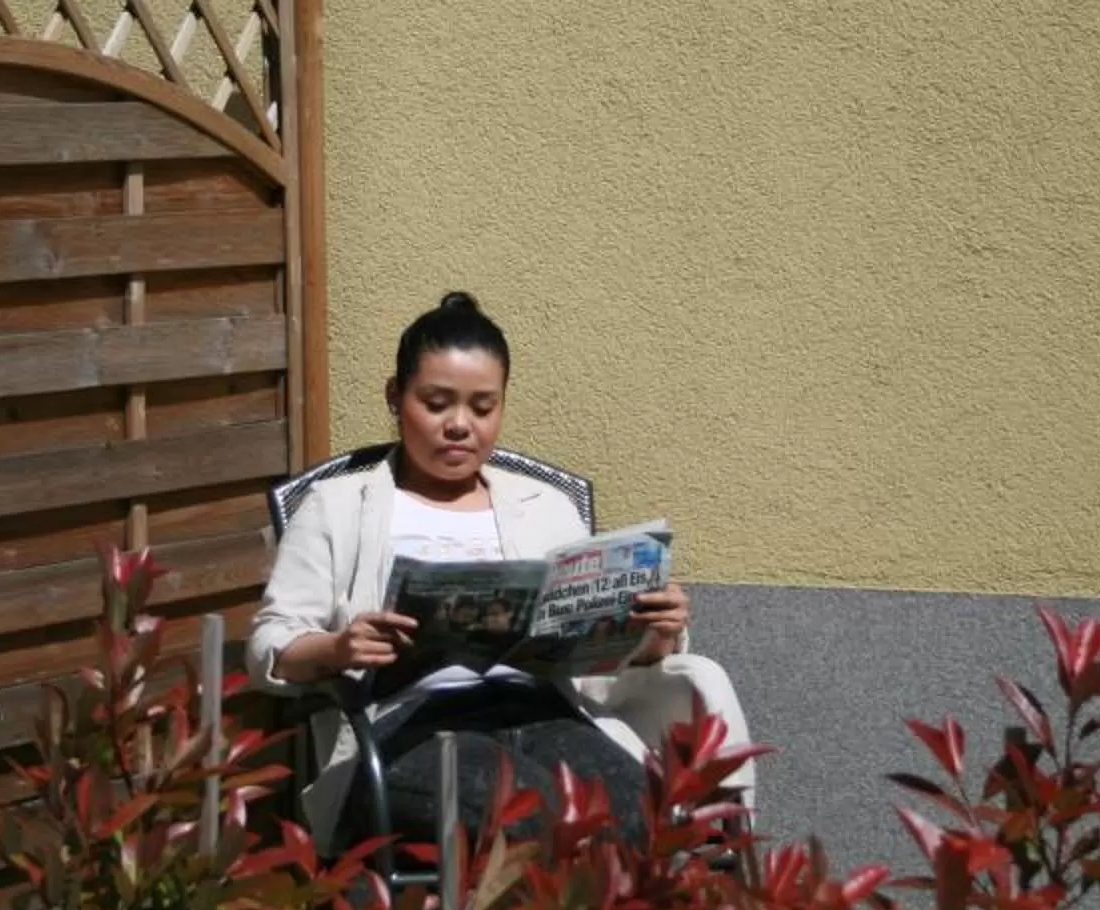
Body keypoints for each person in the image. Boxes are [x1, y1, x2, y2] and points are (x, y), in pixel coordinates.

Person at [249, 291, 749, 847]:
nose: (460, 425)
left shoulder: (544, 505)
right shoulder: (338, 505)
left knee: (632, 810)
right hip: (412, 726)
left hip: (541, 712)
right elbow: (271, 641)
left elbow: (609, 661)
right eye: (437, 403)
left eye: (483, 407)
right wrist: (339, 648)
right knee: (528, 814)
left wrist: (655, 630)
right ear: (395, 397)